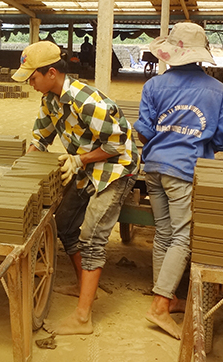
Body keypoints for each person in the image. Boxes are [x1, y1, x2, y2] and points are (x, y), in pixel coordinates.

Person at [12, 40, 139, 336]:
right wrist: (21, 168)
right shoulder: (50, 100)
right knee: (65, 224)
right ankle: (86, 287)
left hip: (115, 170)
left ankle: (83, 318)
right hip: (85, 166)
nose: (30, 83)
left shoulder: (87, 101)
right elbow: (39, 139)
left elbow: (117, 144)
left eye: (33, 78)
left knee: (91, 236)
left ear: (52, 73)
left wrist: (78, 159)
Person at [133, 22, 223, 339]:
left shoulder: (153, 86)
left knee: (164, 233)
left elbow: (144, 132)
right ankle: (161, 305)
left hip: (153, 167)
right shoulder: (216, 91)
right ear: (201, 56)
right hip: (185, 171)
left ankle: (166, 295)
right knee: (183, 237)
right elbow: (222, 140)